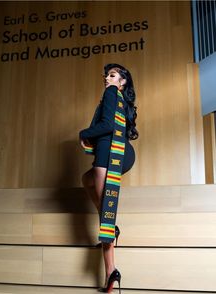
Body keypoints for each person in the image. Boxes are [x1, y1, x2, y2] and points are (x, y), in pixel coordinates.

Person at [79, 63, 138, 293]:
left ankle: (111, 270)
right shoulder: (120, 99)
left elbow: (107, 125)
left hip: (110, 149)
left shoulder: (112, 92)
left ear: (122, 81)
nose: (107, 78)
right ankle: (111, 230)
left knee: (107, 214)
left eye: (112, 75)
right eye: (106, 75)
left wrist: (83, 134)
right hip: (122, 149)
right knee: (86, 180)